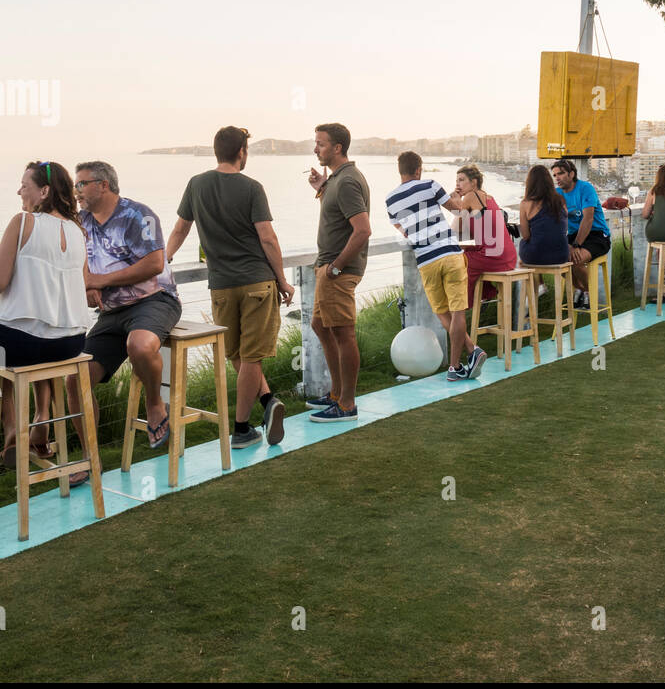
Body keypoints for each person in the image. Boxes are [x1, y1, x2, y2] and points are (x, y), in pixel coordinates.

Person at [166, 127, 294, 449]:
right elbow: (267, 237)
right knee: (250, 357)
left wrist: (164, 259)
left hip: (221, 286)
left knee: (237, 354)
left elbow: (181, 228)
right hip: (257, 283)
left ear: (216, 151)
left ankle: (268, 405)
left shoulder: (196, 185)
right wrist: (282, 280)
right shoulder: (252, 187)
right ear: (241, 152)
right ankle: (240, 429)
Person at [0, 161, 93, 468]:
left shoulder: (23, 221)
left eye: (24, 186)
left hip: (19, 343)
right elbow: (78, 282)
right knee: (38, 339)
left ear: (43, 191)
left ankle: (13, 428)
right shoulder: (78, 232)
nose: (19, 191)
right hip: (69, 343)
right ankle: (41, 419)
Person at [67, 161, 181, 466]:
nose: (76, 191)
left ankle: (155, 404)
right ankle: (90, 458)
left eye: (81, 184)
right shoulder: (81, 222)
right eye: (75, 185)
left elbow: (155, 263)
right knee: (76, 379)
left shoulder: (136, 215)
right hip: (112, 312)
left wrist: (99, 281)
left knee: (139, 345)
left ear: (103, 185)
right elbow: (81, 260)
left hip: (154, 300)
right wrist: (89, 284)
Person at [386, 152, 487, 382]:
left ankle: (470, 354)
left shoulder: (390, 200)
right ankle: (458, 363)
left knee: (442, 312)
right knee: (457, 311)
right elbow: (458, 210)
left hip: (426, 260)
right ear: (419, 169)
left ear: (400, 170)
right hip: (450, 254)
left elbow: (405, 231)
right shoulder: (430, 184)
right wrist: (458, 197)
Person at [306, 123, 371, 423]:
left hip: (337, 270)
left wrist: (336, 267)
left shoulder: (347, 181)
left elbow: (362, 230)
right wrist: (321, 187)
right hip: (327, 267)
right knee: (321, 326)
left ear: (337, 148)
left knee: (343, 333)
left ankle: (346, 404)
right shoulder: (337, 180)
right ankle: (336, 393)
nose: (315, 148)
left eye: (320, 143)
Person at [550, 158, 612, 308]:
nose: (557, 178)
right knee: (556, 260)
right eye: (555, 175)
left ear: (571, 174)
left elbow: (588, 219)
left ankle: (590, 294)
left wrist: (576, 245)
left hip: (597, 234)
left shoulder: (585, 188)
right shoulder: (557, 193)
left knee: (575, 260)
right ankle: (582, 289)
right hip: (573, 235)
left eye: (561, 174)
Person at [453, 164, 517, 307]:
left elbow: (455, 229)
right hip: (508, 256)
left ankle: (464, 304)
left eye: (461, 180)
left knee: (460, 261)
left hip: (495, 257)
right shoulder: (489, 197)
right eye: (456, 181)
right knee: (468, 252)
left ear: (473, 182)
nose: (458, 184)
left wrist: (457, 203)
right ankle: (485, 294)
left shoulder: (470, 197)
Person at [517, 165, 570, 266]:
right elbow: (564, 228)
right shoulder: (560, 200)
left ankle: (536, 282)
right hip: (561, 255)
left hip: (535, 256)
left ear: (530, 183)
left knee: (525, 249)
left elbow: (526, 236)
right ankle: (539, 282)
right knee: (540, 243)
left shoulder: (526, 203)